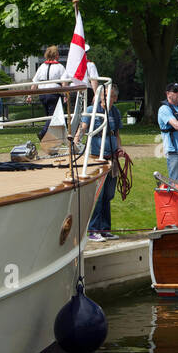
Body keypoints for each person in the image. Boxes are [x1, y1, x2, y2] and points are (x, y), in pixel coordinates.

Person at [80, 84, 122, 239]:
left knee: (108, 195)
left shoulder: (115, 112)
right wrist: (77, 139)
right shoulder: (92, 110)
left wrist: (120, 149)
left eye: (109, 95)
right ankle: (93, 230)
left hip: (111, 157)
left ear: (115, 98)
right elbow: (84, 127)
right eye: (104, 95)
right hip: (97, 157)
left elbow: (116, 133)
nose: (105, 98)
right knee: (98, 194)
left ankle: (105, 228)